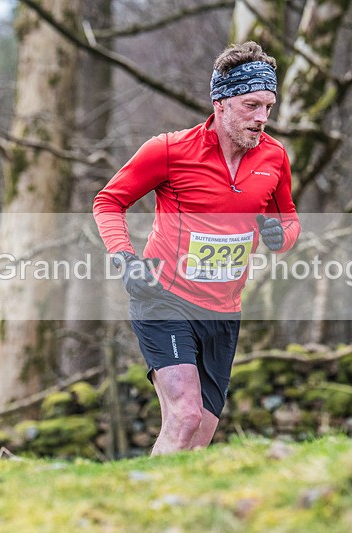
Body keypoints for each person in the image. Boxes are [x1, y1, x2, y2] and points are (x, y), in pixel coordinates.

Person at [93, 41, 300, 455]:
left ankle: (173, 508)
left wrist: (282, 237)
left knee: (200, 433)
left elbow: (289, 220)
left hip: (223, 311)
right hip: (163, 298)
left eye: (269, 107)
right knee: (185, 415)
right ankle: (147, 514)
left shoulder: (275, 158)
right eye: (251, 105)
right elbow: (107, 201)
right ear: (220, 103)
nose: (262, 118)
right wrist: (125, 258)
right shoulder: (169, 151)